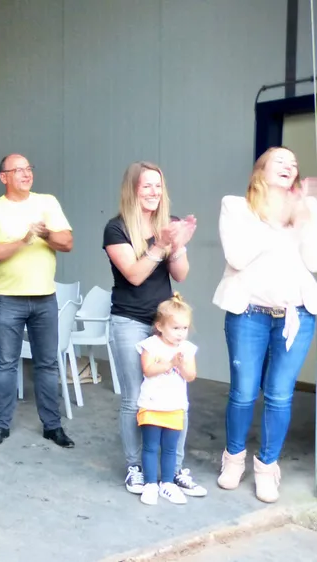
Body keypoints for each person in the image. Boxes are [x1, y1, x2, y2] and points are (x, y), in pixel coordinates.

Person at [214, 146, 317, 503]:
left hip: (297, 315)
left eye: (294, 163)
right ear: (261, 170)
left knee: (280, 394)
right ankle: (233, 458)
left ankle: (267, 467)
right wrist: (275, 218)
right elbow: (237, 257)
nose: (290, 166)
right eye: (280, 161)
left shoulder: (307, 208)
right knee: (243, 392)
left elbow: (314, 261)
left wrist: (303, 218)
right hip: (249, 313)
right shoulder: (237, 207)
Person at [103, 161, 205, 497]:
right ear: (132, 189)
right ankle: (136, 467)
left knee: (176, 396)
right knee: (136, 398)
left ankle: (173, 470)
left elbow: (181, 274)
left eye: (158, 186)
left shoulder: (168, 224)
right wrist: (160, 245)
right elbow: (134, 275)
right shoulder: (116, 228)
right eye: (146, 185)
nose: (153, 192)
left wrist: (179, 245)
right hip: (129, 321)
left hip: (164, 325)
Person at [0, 153, 74, 448]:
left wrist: (44, 233)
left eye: (28, 168)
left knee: (47, 364)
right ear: (3, 177)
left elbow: (67, 242)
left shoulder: (48, 202)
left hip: (45, 297)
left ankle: (52, 426)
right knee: (6, 364)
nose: (26, 174)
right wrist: (22, 241)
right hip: (8, 298)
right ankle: (0, 425)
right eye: (18, 170)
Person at [134, 294, 198, 506]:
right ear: (160, 326)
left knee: (170, 448)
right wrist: (170, 363)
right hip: (151, 404)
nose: (181, 333)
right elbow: (148, 370)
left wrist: (181, 364)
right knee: (150, 447)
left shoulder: (187, 349)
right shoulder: (150, 345)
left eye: (184, 328)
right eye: (175, 328)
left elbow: (191, 375)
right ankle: (150, 483)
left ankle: (168, 483)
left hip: (175, 406)